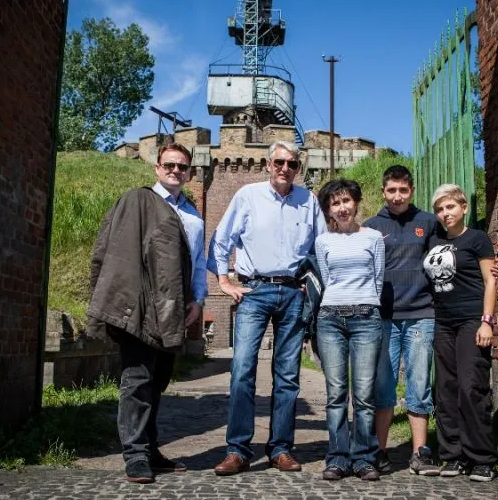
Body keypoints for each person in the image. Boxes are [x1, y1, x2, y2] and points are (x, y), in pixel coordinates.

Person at [87, 143, 207, 484]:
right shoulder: (138, 201)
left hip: (173, 307)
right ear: (157, 168)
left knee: (158, 380)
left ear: (189, 172)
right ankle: (135, 454)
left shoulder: (193, 216)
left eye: (182, 166)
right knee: (137, 380)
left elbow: (197, 262)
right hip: (139, 304)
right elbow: (116, 250)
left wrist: (198, 299)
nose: (175, 171)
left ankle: (150, 448)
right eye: (169, 165)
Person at [208, 141, 326, 476]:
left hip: (293, 293)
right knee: (243, 369)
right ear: (267, 164)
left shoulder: (308, 200)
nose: (285, 168)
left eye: (292, 164)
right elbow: (221, 239)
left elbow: (321, 247)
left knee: (288, 375)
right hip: (254, 290)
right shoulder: (248, 195)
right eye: (279, 162)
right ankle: (237, 450)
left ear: (298, 168)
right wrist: (224, 280)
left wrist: (311, 281)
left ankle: (280, 448)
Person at [364, 165, 441, 476]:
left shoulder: (428, 222)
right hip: (383, 318)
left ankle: (420, 453)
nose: (397, 196)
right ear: (383, 191)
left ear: (412, 191)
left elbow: (440, 265)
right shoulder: (371, 227)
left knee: (419, 385)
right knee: (383, 387)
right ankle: (380, 452)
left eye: (403, 190)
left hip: (421, 315)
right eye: (392, 190)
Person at [422, 183, 498, 482]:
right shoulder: (434, 239)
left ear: (464, 207)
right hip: (443, 322)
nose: (445, 213)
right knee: (445, 391)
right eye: (440, 209)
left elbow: (490, 281)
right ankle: (453, 456)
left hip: (471, 321)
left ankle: (482, 458)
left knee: (471, 387)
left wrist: (486, 321)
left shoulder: (477, 239)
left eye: (450, 206)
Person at [314, 179, 385, 481]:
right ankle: (338, 457)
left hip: (366, 318)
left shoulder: (374, 238)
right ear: (328, 210)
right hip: (330, 319)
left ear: (356, 203)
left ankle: (364, 458)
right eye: (335, 203)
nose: (342, 208)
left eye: (346, 201)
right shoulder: (323, 242)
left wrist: (365, 302)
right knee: (336, 394)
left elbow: (378, 279)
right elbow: (326, 279)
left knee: (365, 395)